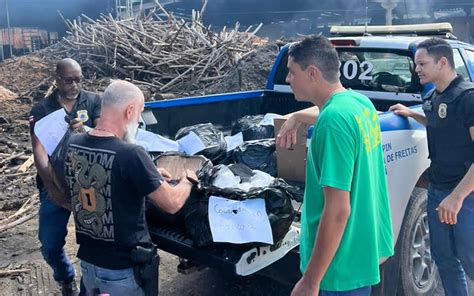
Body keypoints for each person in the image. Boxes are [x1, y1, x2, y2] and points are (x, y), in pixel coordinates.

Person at [277, 35, 393, 296]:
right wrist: (296, 116)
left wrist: (311, 280)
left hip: (339, 266)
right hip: (361, 250)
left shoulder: (332, 122)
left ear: (313, 73)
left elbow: (339, 209)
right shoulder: (359, 103)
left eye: (292, 72)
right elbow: (329, 110)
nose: (288, 79)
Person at [63, 80, 197, 296]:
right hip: (123, 271)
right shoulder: (131, 154)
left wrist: (149, 174)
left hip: (88, 263)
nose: (138, 120)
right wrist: (187, 181)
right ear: (130, 110)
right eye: (140, 113)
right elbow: (172, 203)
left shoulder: (73, 143)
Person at [390, 37, 474, 296]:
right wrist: (413, 114)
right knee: (444, 258)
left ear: (443, 62)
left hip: (465, 194)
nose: (416, 70)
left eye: (422, 63)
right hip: (438, 190)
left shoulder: (468, 98)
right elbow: (440, 124)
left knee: (471, 260)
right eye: (416, 64)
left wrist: (457, 197)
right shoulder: (434, 96)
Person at [29, 58, 101, 295]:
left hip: (90, 182)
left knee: (96, 240)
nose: (74, 85)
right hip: (56, 181)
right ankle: (65, 276)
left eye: (78, 79)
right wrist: (52, 188)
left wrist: (87, 131)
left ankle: (93, 283)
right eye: (68, 80)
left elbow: (106, 135)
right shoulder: (42, 109)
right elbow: (39, 152)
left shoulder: (92, 101)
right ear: (57, 79)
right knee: (50, 243)